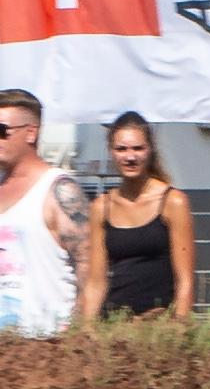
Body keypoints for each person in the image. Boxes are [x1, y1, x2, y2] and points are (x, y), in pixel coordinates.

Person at [0, 89, 87, 339]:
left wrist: (78, 328)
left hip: (47, 342)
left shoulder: (59, 189)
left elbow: (88, 262)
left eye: (1, 130)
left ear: (31, 133)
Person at [80, 111, 195, 322]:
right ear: (111, 152)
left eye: (138, 148)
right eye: (121, 149)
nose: (130, 157)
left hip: (159, 326)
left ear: (150, 150)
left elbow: (185, 280)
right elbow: (95, 282)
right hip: (114, 325)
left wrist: (179, 327)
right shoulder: (101, 207)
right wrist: (85, 333)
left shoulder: (172, 202)